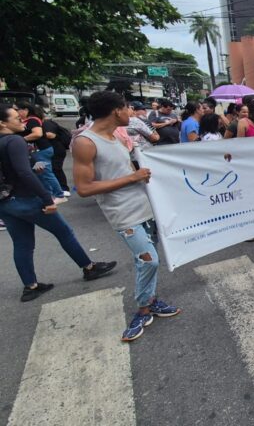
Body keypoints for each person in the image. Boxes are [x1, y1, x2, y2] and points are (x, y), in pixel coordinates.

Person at [73, 91, 181, 342]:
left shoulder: (116, 136)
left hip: (143, 206)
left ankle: (150, 301)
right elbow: (84, 188)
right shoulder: (85, 142)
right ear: (115, 111)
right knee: (150, 260)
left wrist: (142, 175)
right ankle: (143, 309)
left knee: (145, 260)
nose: (130, 113)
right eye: (127, 109)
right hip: (122, 213)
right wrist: (132, 178)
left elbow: (127, 169)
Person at [0, 104, 116, 302]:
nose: (21, 119)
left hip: (5, 203)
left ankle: (31, 286)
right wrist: (47, 198)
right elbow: (23, 172)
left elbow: (14, 170)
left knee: (22, 243)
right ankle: (89, 268)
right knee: (64, 232)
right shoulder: (14, 141)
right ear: (2, 123)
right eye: (16, 118)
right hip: (27, 199)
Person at [17, 102, 67, 203]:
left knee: (46, 173)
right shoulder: (28, 120)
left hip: (41, 150)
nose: (16, 112)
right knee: (42, 174)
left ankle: (59, 195)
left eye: (17, 109)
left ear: (25, 110)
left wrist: (21, 139)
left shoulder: (32, 120)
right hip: (39, 150)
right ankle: (50, 195)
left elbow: (37, 134)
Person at [42, 117, 72, 196]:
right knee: (51, 169)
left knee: (56, 169)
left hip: (57, 149)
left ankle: (64, 188)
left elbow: (50, 135)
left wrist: (37, 134)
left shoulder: (47, 123)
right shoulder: (46, 123)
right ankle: (57, 188)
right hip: (54, 149)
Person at [126, 102, 160, 166]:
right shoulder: (135, 121)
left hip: (130, 157)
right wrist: (157, 135)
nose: (145, 111)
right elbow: (154, 138)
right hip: (142, 155)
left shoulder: (118, 123)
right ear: (134, 110)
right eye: (143, 110)